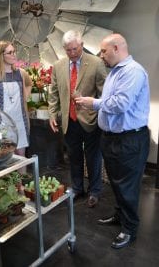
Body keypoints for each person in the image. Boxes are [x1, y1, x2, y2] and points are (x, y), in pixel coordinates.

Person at [75, 33, 150, 248]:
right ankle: (120, 216)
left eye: (104, 51)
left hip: (129, 139)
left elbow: (121, 104)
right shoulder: (116, 72)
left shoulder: (133, 72)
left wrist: (94, 103)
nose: (101, 55)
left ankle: (130, 229)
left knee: (127, 186)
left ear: (117, 48)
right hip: (112, 138)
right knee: (117, 183)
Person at [48, 30, 107, 208]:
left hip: (91, 120)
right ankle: (77, 188)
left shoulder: (96, 63)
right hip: (69, 120)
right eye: (68, 50)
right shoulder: (58, 66)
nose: (72, 53)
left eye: (75, 49)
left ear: (81, 45)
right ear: (64, 49)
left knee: (93, 157)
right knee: (74, 156)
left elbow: (105, 94)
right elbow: (54, 93)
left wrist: (95, 107)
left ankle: (95, 190)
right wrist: (52, 114)